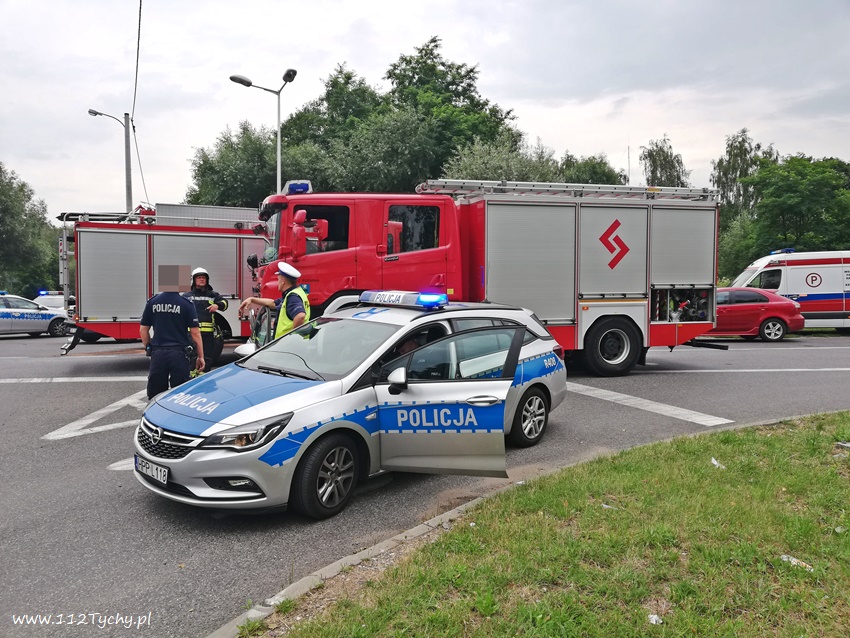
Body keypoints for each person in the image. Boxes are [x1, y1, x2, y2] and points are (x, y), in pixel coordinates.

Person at [140, 264, 205, 399]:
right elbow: (195, 334)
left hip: (158, 353)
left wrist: (148, 347)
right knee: (180, 394)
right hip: (179, 354)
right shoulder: (186, 304)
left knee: (156, 393)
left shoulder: (152, 302)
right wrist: (201, 357)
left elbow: (143, 330)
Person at [238, 262, 310, 340]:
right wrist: (252, 299)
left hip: (288, 344)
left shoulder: (292, 297)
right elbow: (273, 303)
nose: (277, 282)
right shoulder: (296, 292)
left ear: (283, 281)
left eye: (278, 279)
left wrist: (290, 337)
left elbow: (300, 316)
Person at [183, 267, 227, 371]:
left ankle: (204, 378)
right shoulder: (187, 296)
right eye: (199, 278)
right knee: (192, 358)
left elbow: (225, 303)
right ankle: (192, 378)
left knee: (207, 359)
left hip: (208, 335)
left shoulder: (213, 295)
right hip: (191, 335)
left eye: (203, 278)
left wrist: (217, 305)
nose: (202, 279)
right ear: (194, 280)